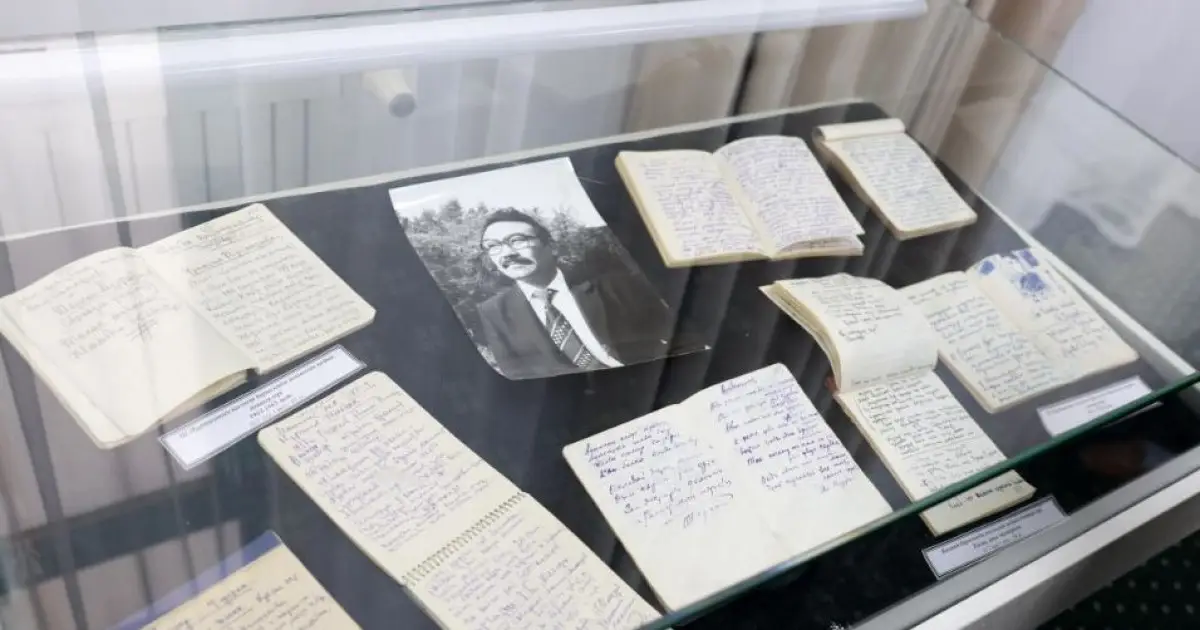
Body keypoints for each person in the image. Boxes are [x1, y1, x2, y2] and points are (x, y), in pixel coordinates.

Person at [475, 209, 669, 379]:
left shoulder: (613, 284)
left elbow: (672, 334)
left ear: (551, 246)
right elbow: (517, 373)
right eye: (493, 246)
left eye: (518, 241)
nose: (507, 253)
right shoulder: (493, 312)